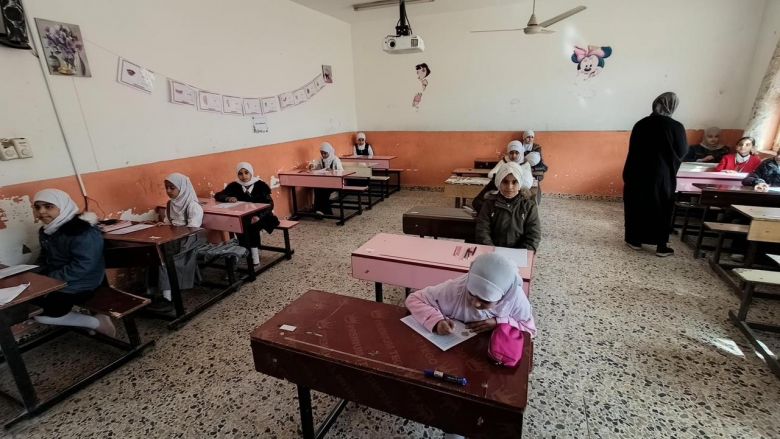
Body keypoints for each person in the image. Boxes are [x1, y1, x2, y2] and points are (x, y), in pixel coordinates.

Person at [31, 189, 115, 336]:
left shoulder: (82, 231)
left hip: (85, 283)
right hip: (60, 280)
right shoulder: (47, 230)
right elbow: (44, 256)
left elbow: (84, 265)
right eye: (37, 207)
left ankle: (96, 323)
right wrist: (35, 273)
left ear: (63, 206)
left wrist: (51, 279)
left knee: (42, 314)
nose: (41, 211)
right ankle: (96, 320)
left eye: (48, 206)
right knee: (31, 306)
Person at [405, 252, 536, 337]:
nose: (475, 303)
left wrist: (499, 323)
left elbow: (529, 330)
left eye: (485, 300)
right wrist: (436, 321)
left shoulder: (515, 299)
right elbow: (414, 299)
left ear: (503, 296)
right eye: (471, 293)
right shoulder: (456, 289)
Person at [623, 92, 688, 257]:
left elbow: (633, 150)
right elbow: (682, 151)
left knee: (637, 204)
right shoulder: (676, 127)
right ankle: (661, 246)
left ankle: (634, 240)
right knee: (661, 206)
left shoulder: (641, 124)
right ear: (672, 106)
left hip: (637, 172)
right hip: (661, 175)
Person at [214, 162, 280, 265]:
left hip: (263, 216)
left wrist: (258, 216)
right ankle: (243, 250)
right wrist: (228, 198)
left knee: (251, 226)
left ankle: (254, 254)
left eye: (246, 173)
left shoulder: (260, 185)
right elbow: (218, 195)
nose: (244, 176)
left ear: (251, 173)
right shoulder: (234, 186)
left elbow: (270, 205)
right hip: (244, 217)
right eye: (240, 174)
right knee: (239, 225)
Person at [155, 173, 205, 304]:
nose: (168, 191)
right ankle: (155, 292)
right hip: (174, 240)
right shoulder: (170, 204)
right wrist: (164, 225)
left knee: (164, 262)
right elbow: (168, 221)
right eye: (166, 188)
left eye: (172, 188)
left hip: (188, 241)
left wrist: (175, 230)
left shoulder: (193, 206)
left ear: (183, 188)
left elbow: (193, 229)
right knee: (154, 256)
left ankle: (167, 299)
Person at [475, 161, 540, 251]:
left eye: (514, 182)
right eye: (505, 182)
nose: (509, 187)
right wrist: (492, 251)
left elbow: (533, 236)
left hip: (519, 253)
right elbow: (482, 231)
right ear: (499, 182)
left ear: (520, 182)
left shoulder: (529, 206)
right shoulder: (489, 204)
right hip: (492, 251)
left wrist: (520, 254)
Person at [472, 140, 534, 213]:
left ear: (521, 152)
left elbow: (527, 183)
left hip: (519, 192)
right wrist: (501, 178)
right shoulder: (504, 161)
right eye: (511, 153)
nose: (514, 156)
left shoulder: (525, 164)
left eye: (517, 153)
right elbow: (491, 174)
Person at [309, 142, 343, 217]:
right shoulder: (321, 159)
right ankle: (321, 211)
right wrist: (312, 166)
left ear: (329, 152)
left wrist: (333, 171)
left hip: (335, 183)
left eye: (325, 153)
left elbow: (341, 172)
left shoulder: (335, 160)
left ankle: (321, 210)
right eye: (322, 153)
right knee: (317, 188)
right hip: (324, 182)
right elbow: (315, 165)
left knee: (323, 191)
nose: (323, 155)